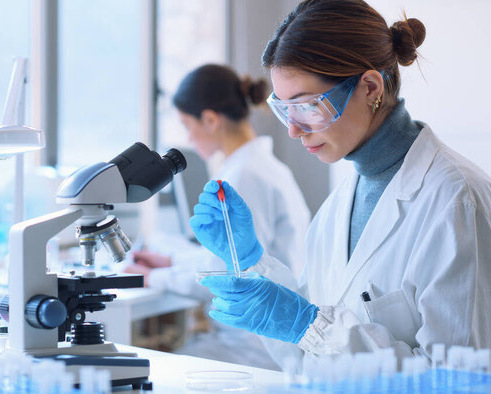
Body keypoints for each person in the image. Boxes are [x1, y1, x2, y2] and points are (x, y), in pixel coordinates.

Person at [193, 0, 491, 368]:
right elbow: (308, 354)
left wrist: (307, 324)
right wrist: (253, 265)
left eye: (307, 105)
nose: (293, 128)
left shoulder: (455, 201)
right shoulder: (340, 205)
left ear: (369, 87)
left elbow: (459, 380)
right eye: (284, 108)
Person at [125, 64, 310, 369]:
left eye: (188, 125)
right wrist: (172, 263)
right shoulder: (262, 167)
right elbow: (232, 259)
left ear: (210, 120)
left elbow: (230, 274)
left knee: (151, 372)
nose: (189, 137)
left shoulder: (243, 176)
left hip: (256, 346)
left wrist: (152, 277)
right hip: (260, 335)